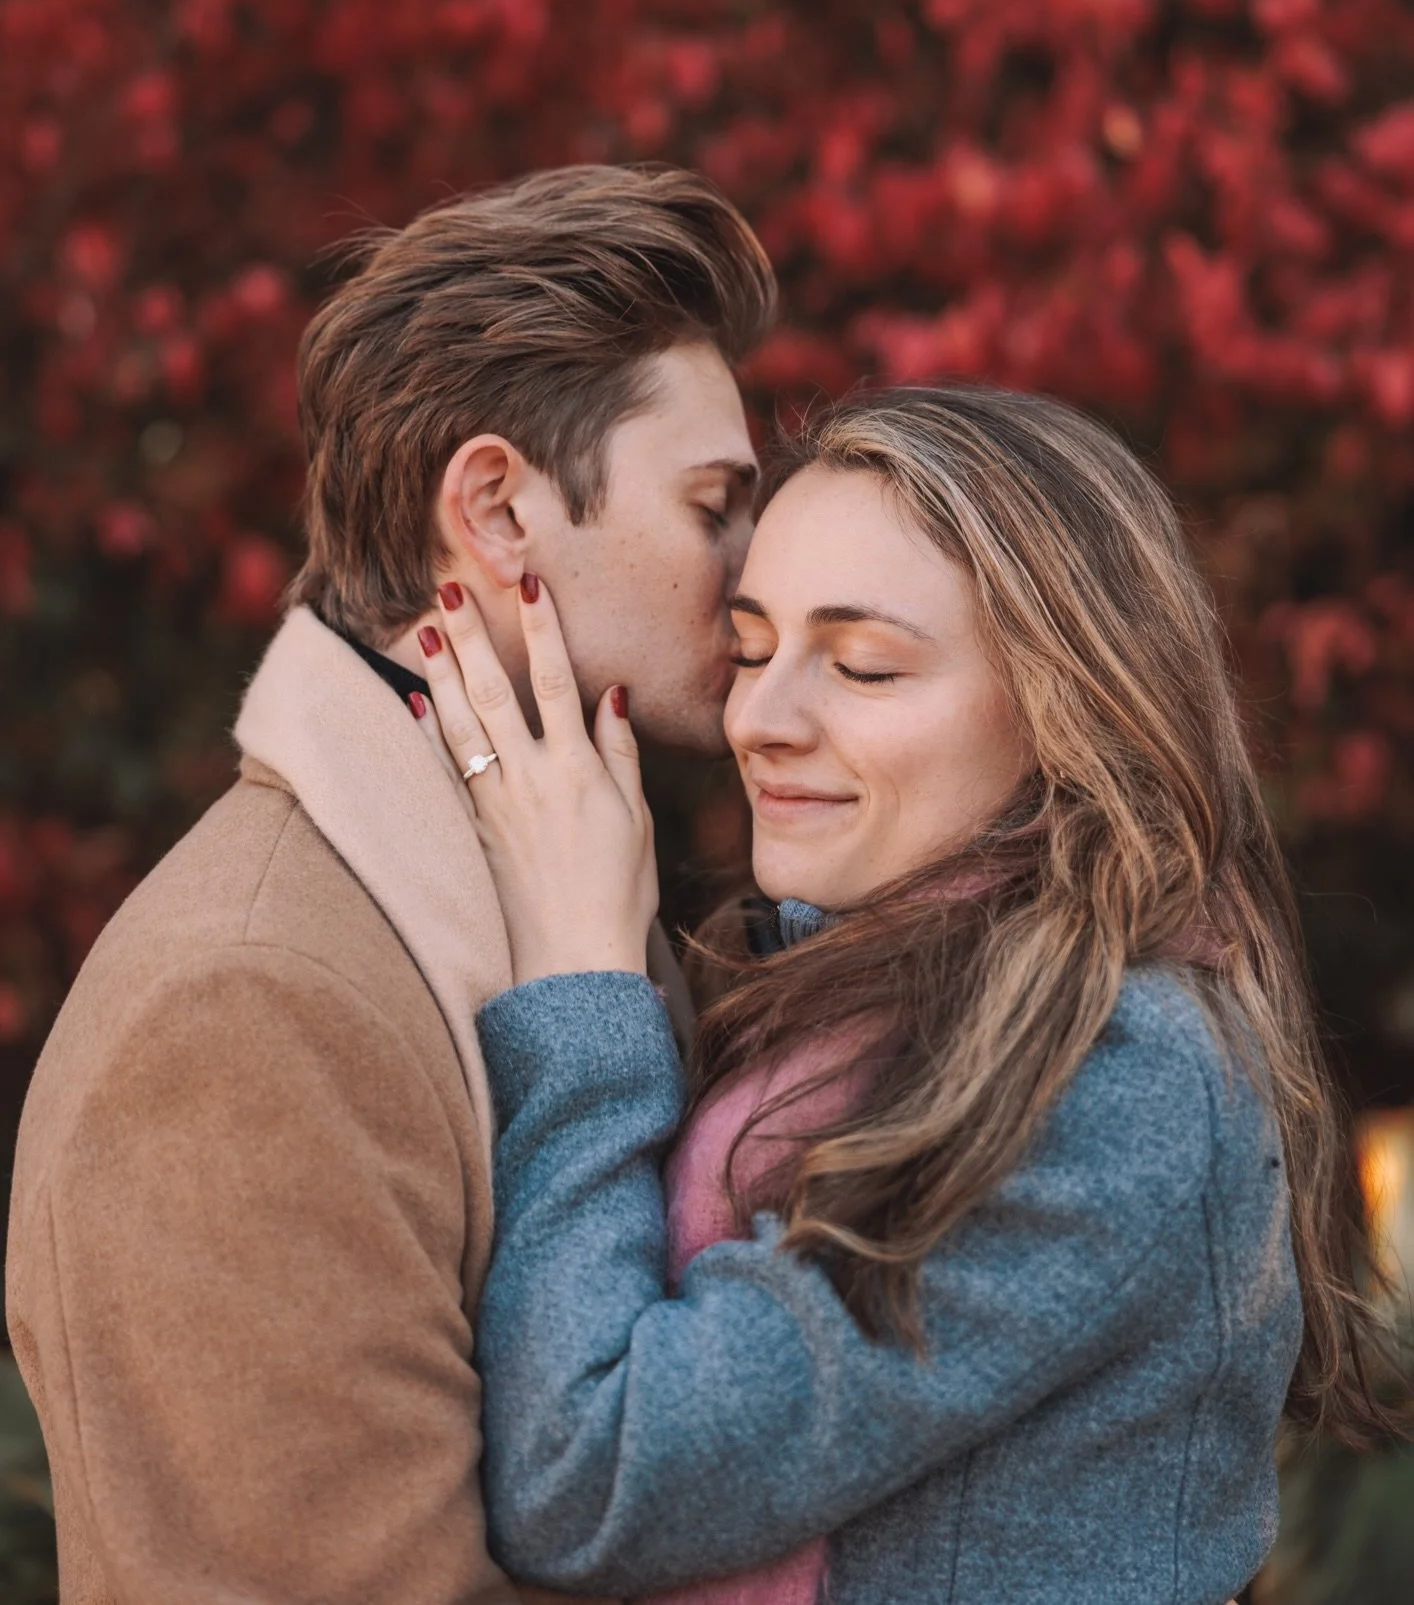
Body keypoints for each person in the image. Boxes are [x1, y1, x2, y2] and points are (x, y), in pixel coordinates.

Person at [414, 385, 1403, 1603]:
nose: (758, 719)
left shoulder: (1113, 1070)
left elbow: (593, 1476)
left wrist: (582, 989)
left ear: (1067, 709)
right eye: (752, 649)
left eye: (864, 666)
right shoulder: (826, 996)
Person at [5, 163, 775, 1605]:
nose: (757, 575)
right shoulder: (248, 1009)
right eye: (715, 505)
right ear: (496, 511)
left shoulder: (558, 907)